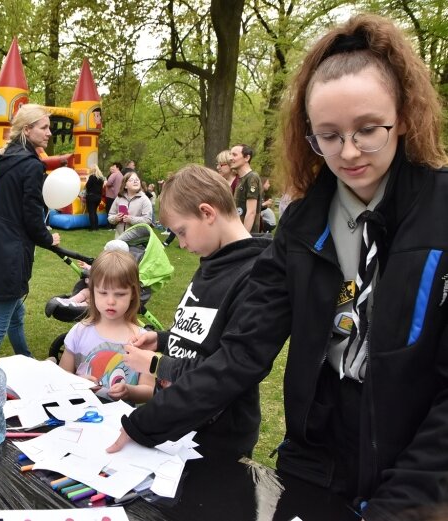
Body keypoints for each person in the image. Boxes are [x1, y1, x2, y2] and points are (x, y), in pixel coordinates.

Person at [111, 14, 448, 520]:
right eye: (328, 136)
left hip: (412, 469)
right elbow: (243, 351)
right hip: (314, 459)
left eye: (368, 130)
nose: (349, 153)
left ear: (403, 116)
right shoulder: (302, 225)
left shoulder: (439, 212)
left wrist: (405, 503)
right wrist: (145, 424)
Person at [108, 165, 270, 458]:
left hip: (217, 438)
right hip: (178, 425)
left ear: (207, 213)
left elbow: (226, 368)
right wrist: (161, 340)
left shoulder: (254, 277)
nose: (181, 244)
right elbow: (199, 335)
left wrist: (158, 365)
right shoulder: (213, 260)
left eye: (181, 232)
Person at [0, 104, 61, 359]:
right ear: (27, 129)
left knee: (15, 315)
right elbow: (32, 217)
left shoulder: (3, 159)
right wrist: (48, 238)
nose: (49, 133)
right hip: (11, 252)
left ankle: (25, 359)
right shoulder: (31, 166)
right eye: (43, 127)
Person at [58, 250, 154, 404]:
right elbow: (61, 376)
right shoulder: (79, 331)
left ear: (133, 294)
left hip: (120, 422)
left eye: (120, 294)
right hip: (81, 415)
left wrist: (129, 391)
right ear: (92, 293)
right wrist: (78, 383)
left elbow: (149, 390)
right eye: (103, 292)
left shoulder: (143, 340)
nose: (110, 301)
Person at [107, 171, 153, 238]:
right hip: (119, 238)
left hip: (136, 240)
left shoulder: (144, 199)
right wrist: (116, 218)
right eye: (131, 180)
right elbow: (110, 216)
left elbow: (148, 220)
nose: (135, 181)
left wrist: (131, 219)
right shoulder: (119, 198)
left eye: (137, 180)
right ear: (125, 185)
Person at [230, 144, 263, 233]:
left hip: (246, 235)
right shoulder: (240, 179)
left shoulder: (252, 177)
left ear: (247, 158)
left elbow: (251, 212)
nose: (230, 158)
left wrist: (244, 239)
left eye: (234, 155)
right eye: (230, 154)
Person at [84, 164, 105, 231]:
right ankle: (96, 227)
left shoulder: (92, 177)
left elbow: (87, 186)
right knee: (95, 212)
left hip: (91, 196)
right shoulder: (101, 178)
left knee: (91, 212)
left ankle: (92, 227)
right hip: (98, 197)